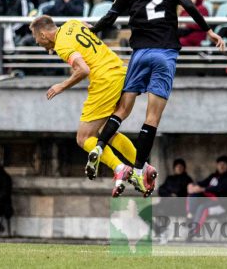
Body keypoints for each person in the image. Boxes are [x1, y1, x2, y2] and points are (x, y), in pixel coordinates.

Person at [89, 0, 225, 196]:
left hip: (140, 53)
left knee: (122, 109)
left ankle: (99, 146)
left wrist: (94, 29)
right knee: (152, 117)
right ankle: (139, 168)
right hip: (165, 54)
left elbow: (111, 15)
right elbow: (190, 7)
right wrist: (209, 31)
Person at [29, 15, 143, 196]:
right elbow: (88, 27)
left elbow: (83, 69)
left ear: (43, 34)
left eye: (37, 40)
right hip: (120, 70)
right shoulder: (72, 23)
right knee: (107, 129)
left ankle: (120, 167)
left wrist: (61, 86)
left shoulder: (61, 45)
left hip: (104, 80)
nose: (40, 45)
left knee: (83, 137)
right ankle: (142, 166)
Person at [186, 155, 227, 236]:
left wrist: (204, 189)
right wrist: (192, 185)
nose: (221, 166)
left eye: (224, 164)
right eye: (219, 164)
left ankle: (193, 232)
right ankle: (191, 215)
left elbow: (220, 188)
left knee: (202, 207)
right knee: (193, 195)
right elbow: (203, 183)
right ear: (217, 165)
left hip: (224, 204)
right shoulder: (214, 176)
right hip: (212, 201)